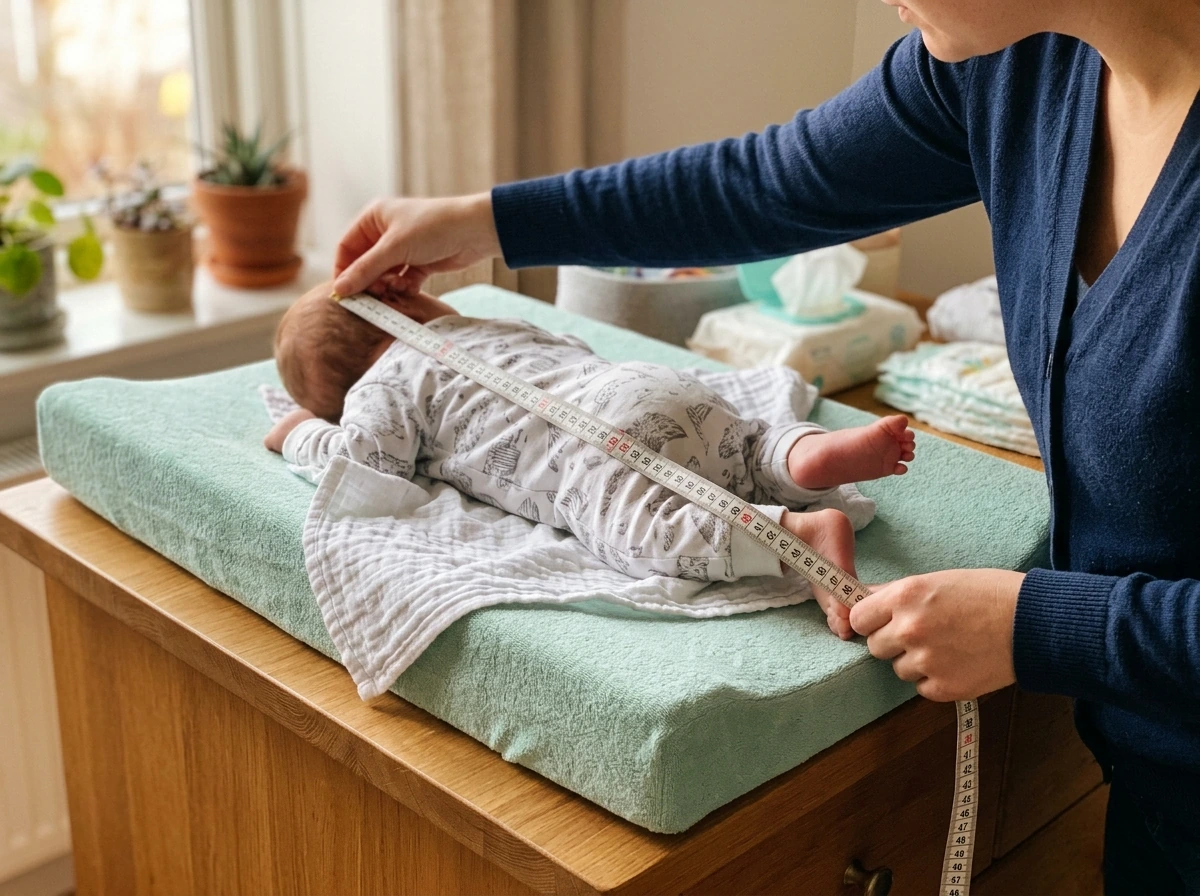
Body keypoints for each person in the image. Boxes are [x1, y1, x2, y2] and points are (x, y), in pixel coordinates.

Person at [328, 1, 1200, 890]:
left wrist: (1043, 627)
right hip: (1153, 777)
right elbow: (771, 182)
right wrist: (486, 221)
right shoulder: (1021, 63)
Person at [264, 282, 915, 583]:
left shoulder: (385, 385)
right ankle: (801, 456)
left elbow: (365, 464)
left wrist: (300, 435)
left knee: (641, 528)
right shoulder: (487, 325)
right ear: (401, 308)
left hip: (590, 448)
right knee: (736, 441)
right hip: (642, 384)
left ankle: (794, 536)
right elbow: (570, 349)